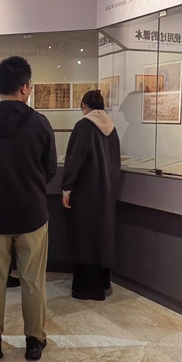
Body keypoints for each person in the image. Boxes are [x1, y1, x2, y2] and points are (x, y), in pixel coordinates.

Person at [0, 56, 57, 361]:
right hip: (32, 214)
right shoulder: (40, 123)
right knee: (33, 282)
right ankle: (34, 340)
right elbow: (49, 170)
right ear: (25, 86)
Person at [61, 90, 121, 301]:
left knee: (84, 238)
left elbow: (74, 159)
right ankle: (102, 284)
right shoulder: (112, 129)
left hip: (86, 193)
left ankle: (86, 288)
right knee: (102, 237)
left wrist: (67, 187)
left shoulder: (83, 126)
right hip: (106, 193)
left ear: (84, 106)